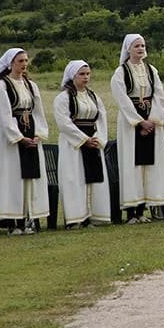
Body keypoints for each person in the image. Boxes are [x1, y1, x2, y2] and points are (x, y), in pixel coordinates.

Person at [109, 33, 164, 223]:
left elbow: (159, 95)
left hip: (151, 122)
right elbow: (122, 99)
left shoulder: (151, 70)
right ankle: (132, 212)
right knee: (133, 166)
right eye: (136, 46)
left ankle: (143, 209)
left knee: (149, 166)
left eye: (143, 46)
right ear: (128, 49)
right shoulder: (120, 72)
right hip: (131, 125)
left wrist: (152, 120)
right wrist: (139, 122)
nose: (140, 49)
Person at [0, 48, 51, 234]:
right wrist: (19, 138)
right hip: (11, 140)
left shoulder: (31, 85)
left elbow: (38, 112)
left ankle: (27, 219)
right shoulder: (1, 87)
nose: (24, 64)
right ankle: (12, 222)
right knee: (12, 178)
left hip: (31, 133)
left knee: (30, 179)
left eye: (25, 60)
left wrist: (38, 133)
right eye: (20, 61)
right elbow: (4, 116)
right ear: (10, 64)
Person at [53, 60, 111, 228]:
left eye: (88, 74)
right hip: (73, 145)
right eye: (82, 74)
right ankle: (76, 218)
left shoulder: (93, 96)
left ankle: (94, 215)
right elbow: (63, 123)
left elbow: (101, 118)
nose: (86, 77)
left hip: (93, 141)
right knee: (75, 178)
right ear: (73, 76)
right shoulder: (63, 98)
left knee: (94, 178)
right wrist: (84, 140)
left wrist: (98, 138)